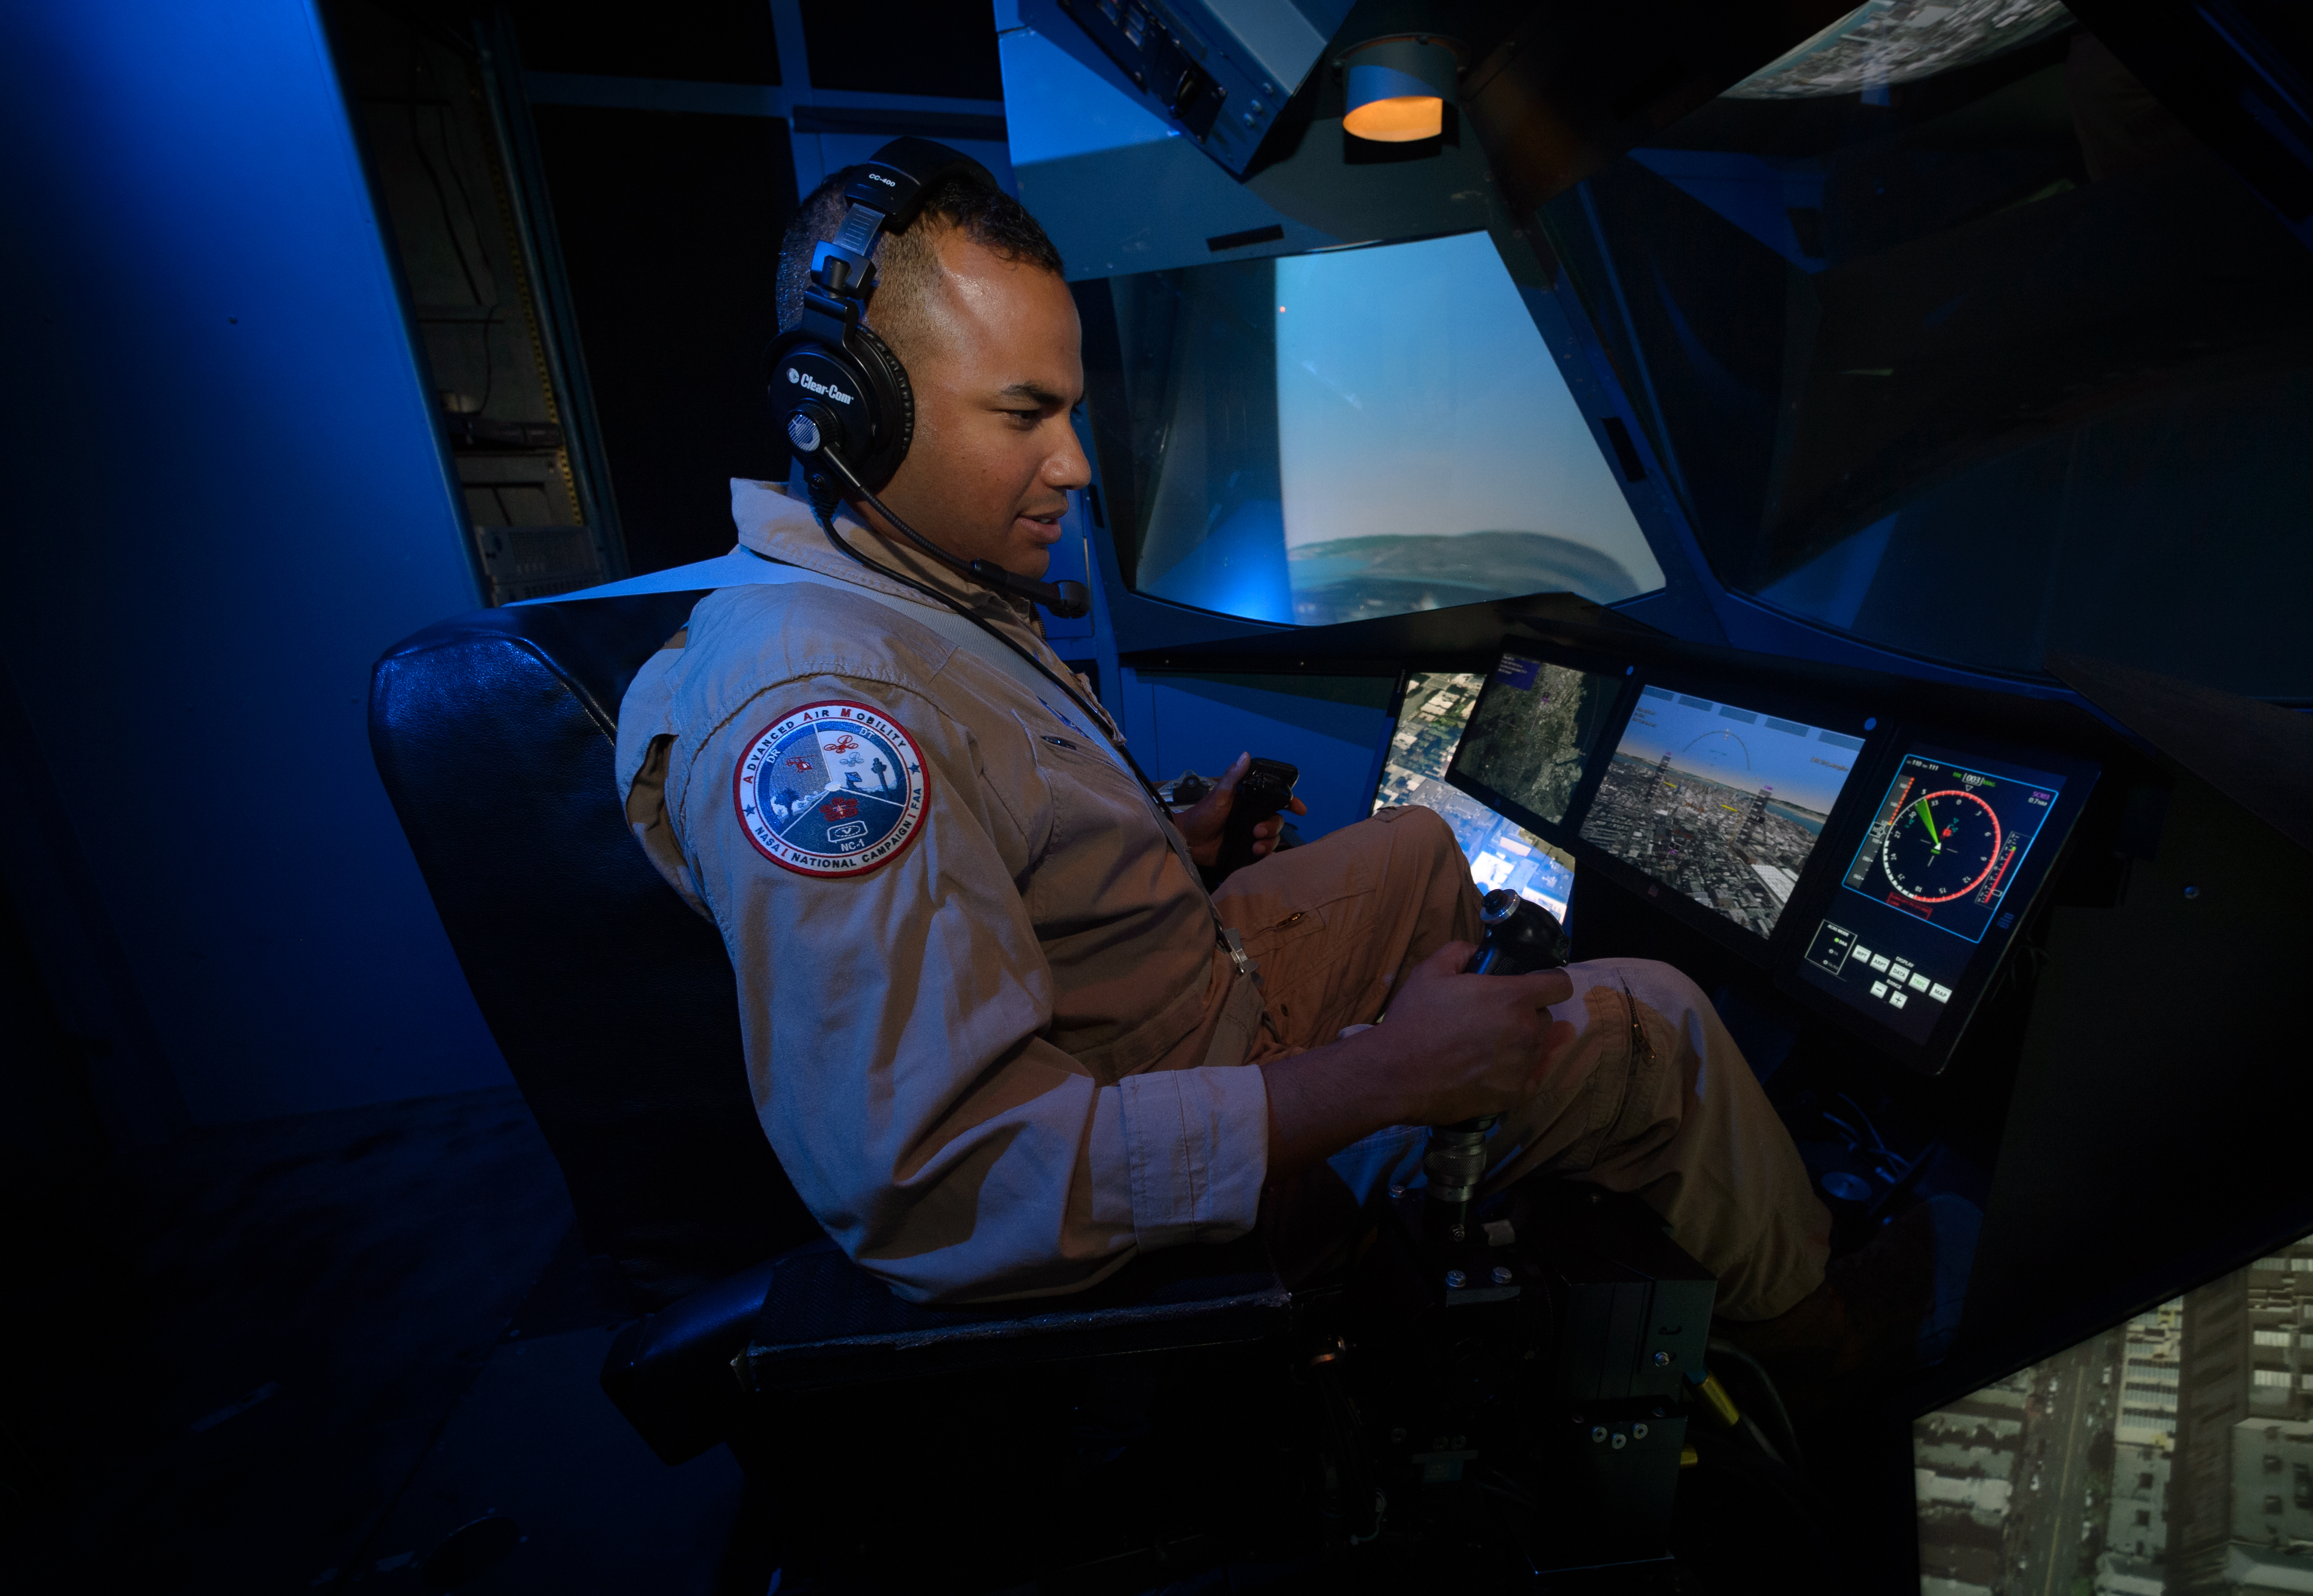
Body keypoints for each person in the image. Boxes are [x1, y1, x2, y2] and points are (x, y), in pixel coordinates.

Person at [611, 162, 1921, 1378]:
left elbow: (999, 850)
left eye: (1069, 411)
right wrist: (1384, 1076)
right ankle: (1818, 1335)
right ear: (851, 407)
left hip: (1172, 1009)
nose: (1072, 463)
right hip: (1157, 1176)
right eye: (1023, 415)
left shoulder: (902, 591)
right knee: (1660, 1012)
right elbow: (946, 1188)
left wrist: (1166, 850)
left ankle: (1487, 1138)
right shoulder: (831, 720)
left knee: (1414, 850)